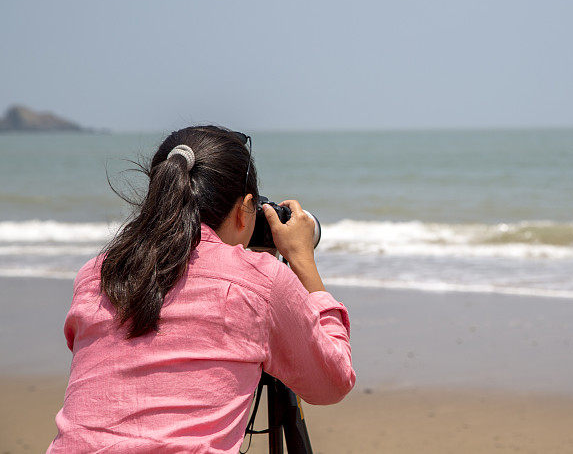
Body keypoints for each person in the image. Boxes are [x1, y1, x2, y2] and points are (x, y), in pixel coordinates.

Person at [47, 125, 356, 453]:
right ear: (244, 209)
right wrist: (300, 258)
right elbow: (332, 382)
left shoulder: (96, 274)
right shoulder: (258, 283)